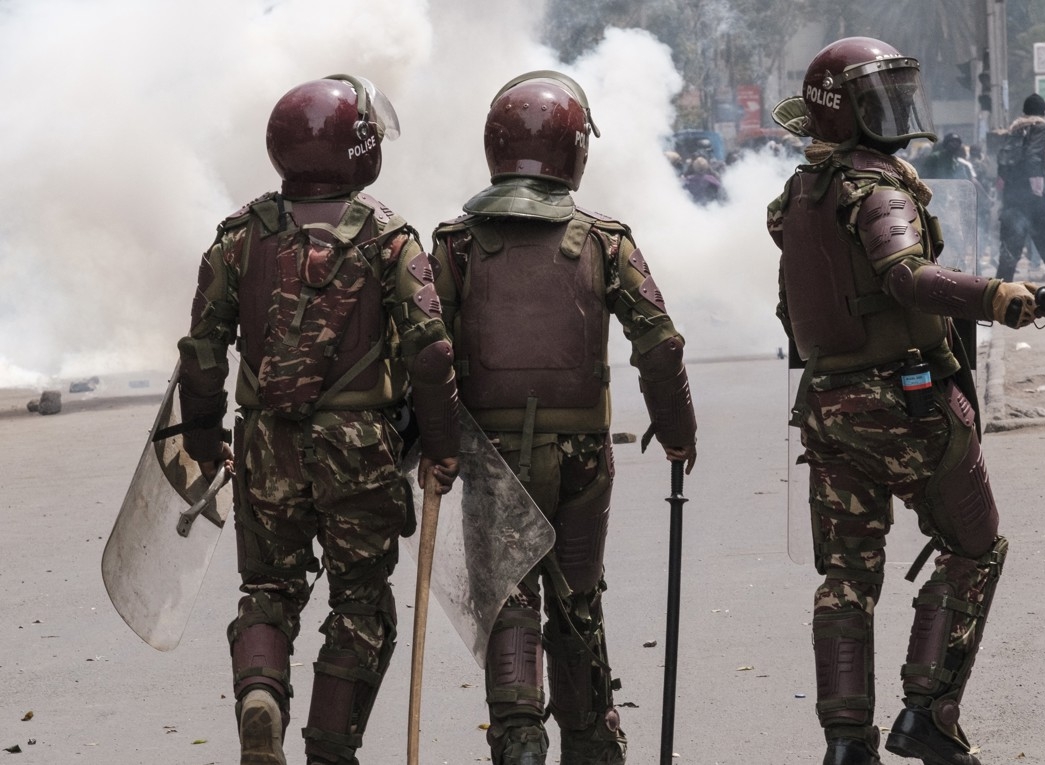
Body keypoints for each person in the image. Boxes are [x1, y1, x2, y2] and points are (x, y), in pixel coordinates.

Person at [769, 36, 1045, 765]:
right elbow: (907, 277)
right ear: (845, 112)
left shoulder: (801, 195)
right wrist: (996, 295)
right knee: (976, 547)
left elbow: (793, 315)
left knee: (847, 578)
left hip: (827, 407)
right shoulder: (879, 190)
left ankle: (845, 740)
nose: (894, 111)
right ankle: (927, 712)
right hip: (906, 403)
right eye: (876, 100)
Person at [176, 75, 462, 765]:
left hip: (267, 442)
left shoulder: (238, 238)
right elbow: (430, 352)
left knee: (268, 590)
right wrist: (443, 446)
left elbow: (202, 349)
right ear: (360, 148)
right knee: (362, 604)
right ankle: (330, 751)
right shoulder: (392, 241)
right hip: (360, 448)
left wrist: (205, 437)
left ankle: (261, 695)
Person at [429, 70, 699, 765]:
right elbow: (660, 341)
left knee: (511, 597)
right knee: (577, 597)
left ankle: (519, 737)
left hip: (494, 458)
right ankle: (591, 740)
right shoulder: (605, 241)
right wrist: (676, 429)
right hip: (582, 455)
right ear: (575, 150)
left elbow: (427, 352)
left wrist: (435, 442)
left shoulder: (456, 246)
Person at [995, 93, 1045, 288]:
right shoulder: (1039, 125)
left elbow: (1002, 165)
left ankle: (996, 296)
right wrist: (1038, 191)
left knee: (1009, 250)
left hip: (1012, 198)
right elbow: (1033, 158)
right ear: (1042, 111)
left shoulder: (1014, 128)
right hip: (1032, 199)